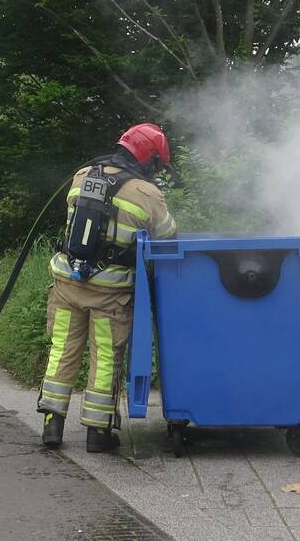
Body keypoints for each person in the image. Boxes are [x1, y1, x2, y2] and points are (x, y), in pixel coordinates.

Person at [38, 123, 177, 452]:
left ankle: (51, 424)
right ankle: (98, 433)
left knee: (62, 351)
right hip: (109, 293)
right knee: (105, 360)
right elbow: (169, 237)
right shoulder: (147, 194)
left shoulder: (81, 176)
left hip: (66, 283)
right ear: (149, 159)